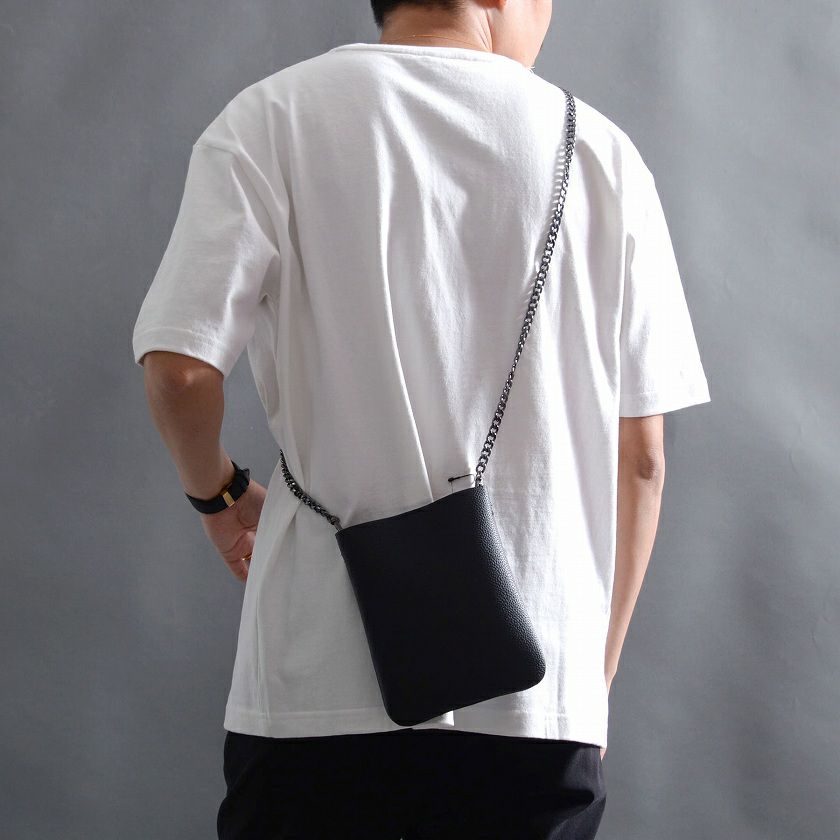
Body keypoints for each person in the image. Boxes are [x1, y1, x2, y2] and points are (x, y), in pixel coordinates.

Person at [131, 0, 711, 837]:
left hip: (309, 695)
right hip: (538, 709)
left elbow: (180, 371)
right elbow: (643, 460)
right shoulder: (603, 154)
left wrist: (220, 499)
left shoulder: (270, 116)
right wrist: (590, 682)